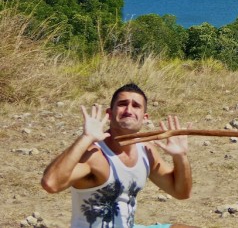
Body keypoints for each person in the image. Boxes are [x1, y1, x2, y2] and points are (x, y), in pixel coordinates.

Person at [41, 83, 197, 228]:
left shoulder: (146, 152)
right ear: (109, 113)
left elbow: (181, 192)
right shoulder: (95, 155)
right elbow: (51, 184)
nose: (129, 110)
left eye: (136, 106)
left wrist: (180, 156)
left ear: (144, 117)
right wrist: (85, 138)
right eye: (122, 104)